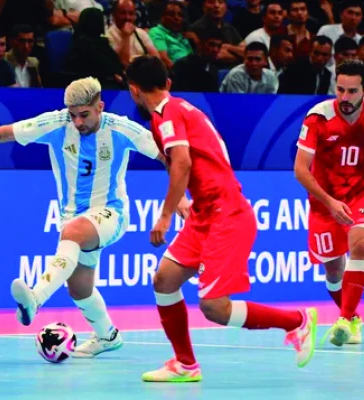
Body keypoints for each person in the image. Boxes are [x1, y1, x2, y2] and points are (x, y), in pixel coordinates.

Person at [0, 77, 186, 358]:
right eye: (73, 115)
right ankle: (107, 336)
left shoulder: (122, 128)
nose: (77, 122)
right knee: (79, 288)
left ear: (100, 106)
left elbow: (167, 156)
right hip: (73, 217)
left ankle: (35, 298)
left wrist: (181, 198)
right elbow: (5, 133)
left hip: (112, 213)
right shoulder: (56, 124)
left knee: (74, 233)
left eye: (84, 115)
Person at [125, 55, 318, 383]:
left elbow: (182, 163)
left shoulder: (165, 113)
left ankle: (296, 321)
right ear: (167, 83)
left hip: (227, 213)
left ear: (133, 90)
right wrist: (187, 199)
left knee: (214, 306)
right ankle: (185, 364)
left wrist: (166, 214)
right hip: (206, 211)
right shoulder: (178, 108)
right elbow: (184, 161)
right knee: (165, 280)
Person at [294, 60, 364, 347]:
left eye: (352, 91)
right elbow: (300, 169)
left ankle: (344, 319)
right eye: (340, 90)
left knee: (360, 244)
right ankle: (353, 317)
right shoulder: (317, 118)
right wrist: (330, 202)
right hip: (324, 199)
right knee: (333, 272)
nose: (344, 98)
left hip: (362, 191)